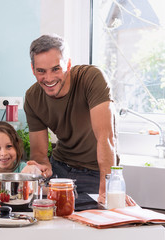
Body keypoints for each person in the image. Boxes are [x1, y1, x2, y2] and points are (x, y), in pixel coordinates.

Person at [24, 34, 124, 205]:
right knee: (37, 209)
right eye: (41, 71)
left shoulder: (91, 78)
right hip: (59, 168)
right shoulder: (33, 97)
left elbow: (106, 138)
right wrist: (43, 168)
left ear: (68, 64)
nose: (48, 79)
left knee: (95, 218)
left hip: (95, 172)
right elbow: (40, 154)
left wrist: (107, 188)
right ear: (33, 69)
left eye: (56, 69)